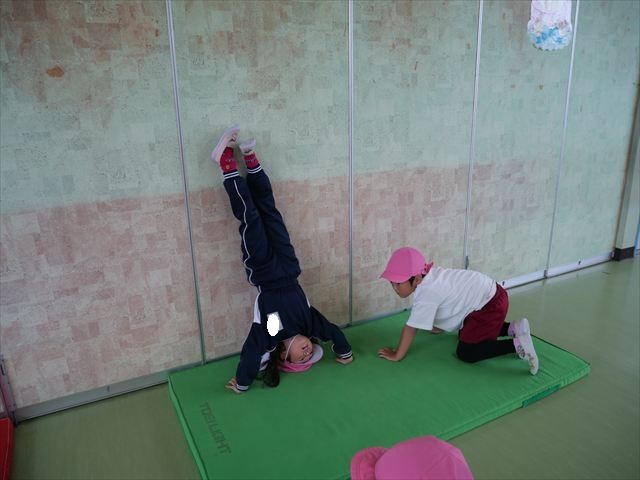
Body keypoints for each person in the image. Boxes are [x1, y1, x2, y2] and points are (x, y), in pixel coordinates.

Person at [212, 126, 354, 393]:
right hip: (289, 267)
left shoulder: (274, 331)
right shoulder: (307, 323)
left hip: (263, 270)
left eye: (301, 358)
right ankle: (251, 161)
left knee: (251, 218)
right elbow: (331, 332)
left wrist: (242, 382)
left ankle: (226, 163)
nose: (308, 352)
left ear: (284, 355)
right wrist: (344, 352)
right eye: (311, 353)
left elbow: (254, 349)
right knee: (271, 213)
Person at [377, 247, 539, 374]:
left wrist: (397, 354)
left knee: (467, 352)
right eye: (392, 283)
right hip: (491, 295)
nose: (395, 288)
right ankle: (513, 328)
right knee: (465, 332)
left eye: (398, 283)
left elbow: (411, 328)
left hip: (490, 305)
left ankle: (518, 345)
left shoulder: (426, 293)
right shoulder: (431, 276)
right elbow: (450, 301)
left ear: (417, 279)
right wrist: (438, 325)